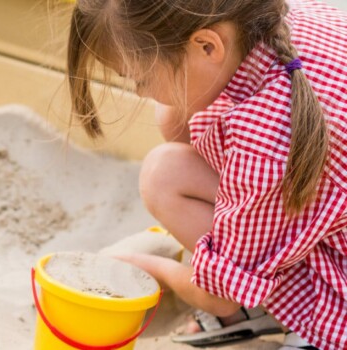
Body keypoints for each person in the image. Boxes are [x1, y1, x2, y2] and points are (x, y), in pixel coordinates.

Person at [67, 0, 347, 348]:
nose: (139, 91)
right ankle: (256, 269)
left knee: (162, 174)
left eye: (140, 79)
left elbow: (219, 298)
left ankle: (281, 310)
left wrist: (146, 265)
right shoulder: (293, 15)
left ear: (208, 45)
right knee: (172, 116)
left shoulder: (262, 141)